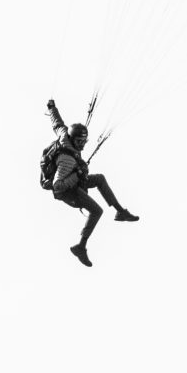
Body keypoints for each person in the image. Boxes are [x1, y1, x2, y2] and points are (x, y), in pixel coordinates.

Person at [46, 99, 138, 267]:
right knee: (97, 210)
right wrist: (78, 173)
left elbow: (57, 123)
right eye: (79, 142)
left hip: (74, 180)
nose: (82, 145)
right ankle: (81, 246)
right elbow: (57, 187)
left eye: (84, 142)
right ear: (72, 139)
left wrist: (52, 108)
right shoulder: (67, 160)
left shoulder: (64, 134)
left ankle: (120, 212)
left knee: (100, 178)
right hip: (67, 192)